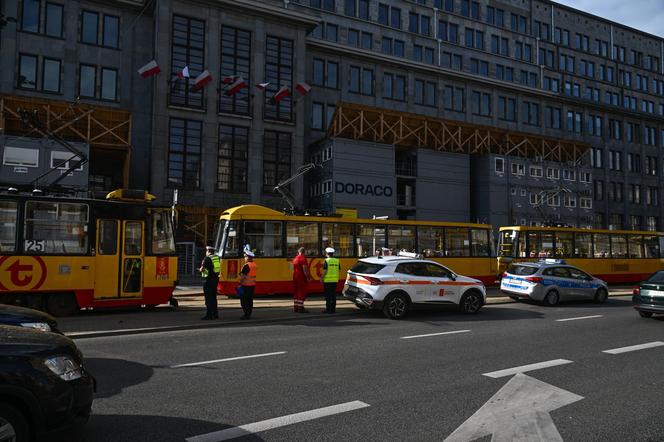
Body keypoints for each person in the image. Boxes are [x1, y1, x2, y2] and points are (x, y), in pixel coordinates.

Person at [199, 246, 220, 320]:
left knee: (208, 299)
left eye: (206, 251)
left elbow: (202, 269)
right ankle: (215, 314)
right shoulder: (217, 258)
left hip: (208, 281)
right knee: (214, 298)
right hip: (215, 280)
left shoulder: (207, 258)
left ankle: (209, 315)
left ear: (208, 251)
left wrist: (200, 269)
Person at [239, 248, 257, 319]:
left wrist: (239, 283)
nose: (244, 258)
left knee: (244, 301)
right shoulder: (254, 265)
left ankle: (246, 315)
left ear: (248, 257)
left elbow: (242, 277)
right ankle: (249, 313)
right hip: (252, 285)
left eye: (245, 257)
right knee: (250, 301)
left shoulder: (246, 266)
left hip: (245, 286)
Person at [321, 247, 340, 314]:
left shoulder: (326, 260)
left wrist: (321, 278)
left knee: (328, 296)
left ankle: (328, 309)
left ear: (327, 253)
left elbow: (325, 271)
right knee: (333, 295)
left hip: (327, 281)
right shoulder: (337, 260)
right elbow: (339, 270)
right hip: (335, 281)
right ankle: (333, 309)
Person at [292, 247, 311, 313]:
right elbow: (305, 269)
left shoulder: (295, 258)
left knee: (296, 291)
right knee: (301, 292)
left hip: (295, 276)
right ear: (304, 252)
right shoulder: (303, 258)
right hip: (301, 277)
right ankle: (300, 308)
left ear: (298, 252)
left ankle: (296, 307)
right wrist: (308, 277)